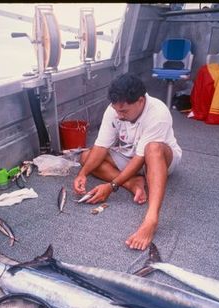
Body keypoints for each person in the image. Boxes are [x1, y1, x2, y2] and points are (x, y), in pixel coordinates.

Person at [73, 73, 182, 250]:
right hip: (129, 155)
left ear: (140, 101)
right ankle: (133, 183)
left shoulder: (158, 113)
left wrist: (112, 185)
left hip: (159, 160)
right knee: (87, 157)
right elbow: (101, 147)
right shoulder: (114, 110)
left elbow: (140, 159)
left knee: (152, 148)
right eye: (117, 110)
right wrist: (82, 174)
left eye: (124, 111)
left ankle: (151, 219)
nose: (119, 115)